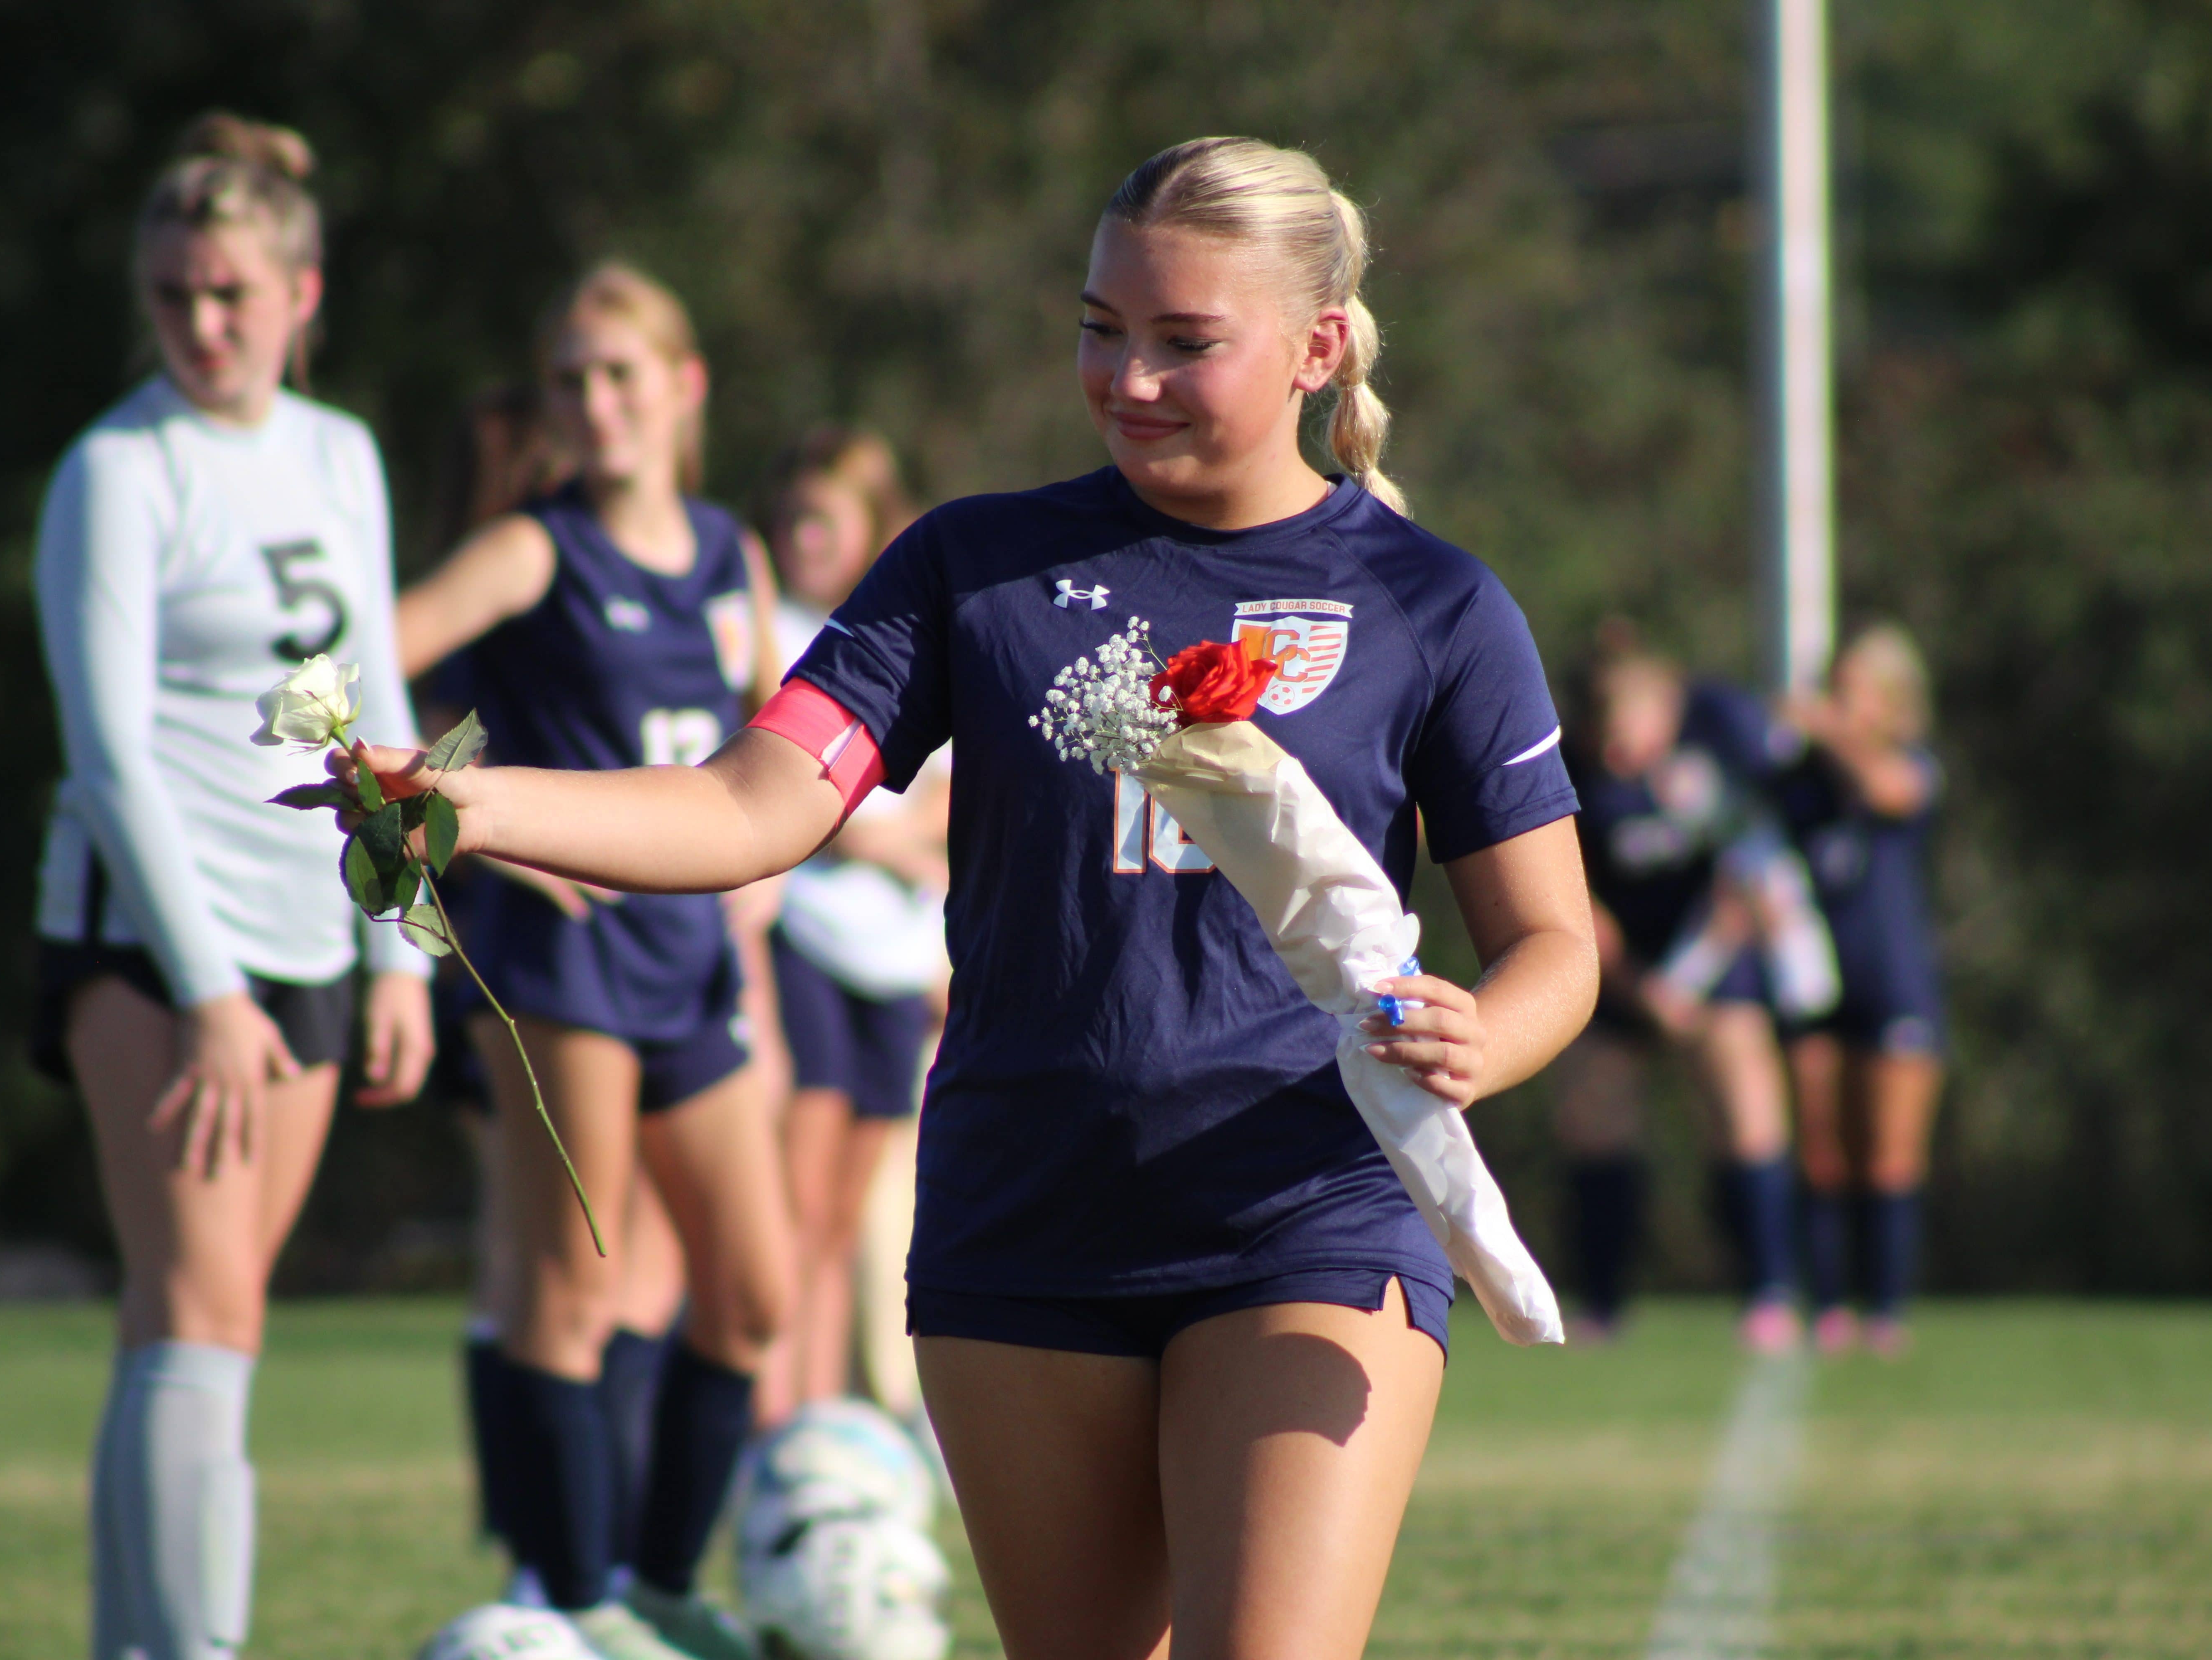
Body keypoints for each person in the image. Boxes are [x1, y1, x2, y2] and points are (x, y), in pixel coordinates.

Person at [344, 136, 1598, 1660]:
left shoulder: (1435, 601)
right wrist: (470, 804)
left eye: (1185, 340)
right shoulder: (970, 566)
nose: (1130, 378)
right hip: (1023, 1219)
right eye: (1101, 328)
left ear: (1318, 349)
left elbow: (1555, 944)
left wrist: (1487, 1036)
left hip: (1309, 1211)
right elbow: (749, 806)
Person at [30, 112, 437, 1660]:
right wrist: (204, 994)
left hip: (310, 927)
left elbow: (377, 701)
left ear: (301, 293)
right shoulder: (118, 470)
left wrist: (400, 950)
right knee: (207, 1315)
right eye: (173, 295)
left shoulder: (339, 454)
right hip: (155, 939)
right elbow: (105, 752)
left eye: (230, 294)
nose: (202, 324)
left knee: (190, 1322)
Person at [393, 261, 793, 1660]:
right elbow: (373, 668)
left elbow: (772, 741)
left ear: (683, 387)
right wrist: (487, 826)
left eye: (620, 372)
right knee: (571, 1288)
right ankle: (572, 1612)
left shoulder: (731, 551)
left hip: (692, 958)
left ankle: (661, 1591)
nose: (595, 400)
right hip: (562, 970)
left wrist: (760, 886)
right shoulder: (531, 549)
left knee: (752, 1299)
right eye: (570, 377)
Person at [750, 427, 949, 1424]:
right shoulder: (770, 633)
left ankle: (821, 1424)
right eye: (791, 519)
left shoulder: (903, 631)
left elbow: (945, 797)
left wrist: (897, 841)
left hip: (896, 963)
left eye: (824, 519)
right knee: (794, 1208)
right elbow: (791, 798)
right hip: (807, 946)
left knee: (839, 1219)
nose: (804, 538)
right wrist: (883, 843)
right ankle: (772, 1426)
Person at [1554, 631, 1803, 1349]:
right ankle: (1602, 1303)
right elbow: (1574, 896)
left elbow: (1755, 863)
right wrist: (1640, 989)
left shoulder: (1718, 747)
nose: (1615, 750)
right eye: (1604, 733)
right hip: (1618, 973)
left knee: (1746, 1108)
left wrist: (1702, 967)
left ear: (1664, 709)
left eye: (1626, 730)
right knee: (1595, 1116)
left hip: (1716, 967)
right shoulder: (1577, 770)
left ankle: (1770, 1293)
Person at [1775, 623, 1947, 1357]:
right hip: (1815, 985)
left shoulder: (1914, 769)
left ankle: (1886, 1311)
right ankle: (1827, 1307)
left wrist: (1831, 733)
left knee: (1890, 1157)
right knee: (1821, 1151)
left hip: (1896, 986)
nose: (1839, 705)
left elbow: (1889, 791)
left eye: (1855, 693)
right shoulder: (1800, 784)